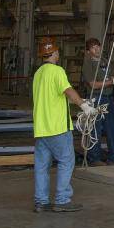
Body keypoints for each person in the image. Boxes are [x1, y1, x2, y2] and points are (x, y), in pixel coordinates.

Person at [33, 37, 90, 213]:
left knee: (42, 167)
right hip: (57, 128)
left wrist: (79, 100)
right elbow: (68, 91)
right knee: (66, 161)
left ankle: (41, 202)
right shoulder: (57, 71)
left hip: (41, 129)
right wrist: (84, 105)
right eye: (58, 52)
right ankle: (62, 200)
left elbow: (53, 97)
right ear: (55, 53)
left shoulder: (38, 74)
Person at [81, 37, 114, 166]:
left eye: (98, 46)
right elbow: (93, 84)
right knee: (95, 129)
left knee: (112, 128)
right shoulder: (88, 63)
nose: (97, 49)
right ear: (88, 51)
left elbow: (109, 78)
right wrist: (111, 82)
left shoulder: (104, 61)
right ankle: (94, 158)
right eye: (93, 47)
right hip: (96, 99)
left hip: (109, 98)